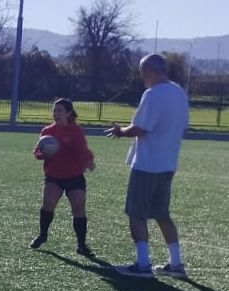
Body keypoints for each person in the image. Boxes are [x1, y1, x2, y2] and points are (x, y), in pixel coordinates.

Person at [105, 53, 191, 279]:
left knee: (136, 213)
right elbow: (183, 126)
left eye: (142, 73)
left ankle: (143, 264)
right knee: (162, 214)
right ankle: (176, 264)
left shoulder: (153, 94)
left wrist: (121, 131)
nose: (142, 77)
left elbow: (140, 128)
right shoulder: (179, 92)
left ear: (149, 71)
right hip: (168, 163)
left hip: (147, 164)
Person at [29, 98, 96, 256]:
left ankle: (81, 245)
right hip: (54, 176)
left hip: (74, 175)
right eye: (54, 110)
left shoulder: (76, 131)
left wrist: (88, 160)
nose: (56, 113)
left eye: (60, 110)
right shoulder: (47, 131)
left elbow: (83, 149)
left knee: (78, 205)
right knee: (48, 203)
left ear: (68, 113)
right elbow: (37, 151)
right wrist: (42, 154)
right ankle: (43, 235)